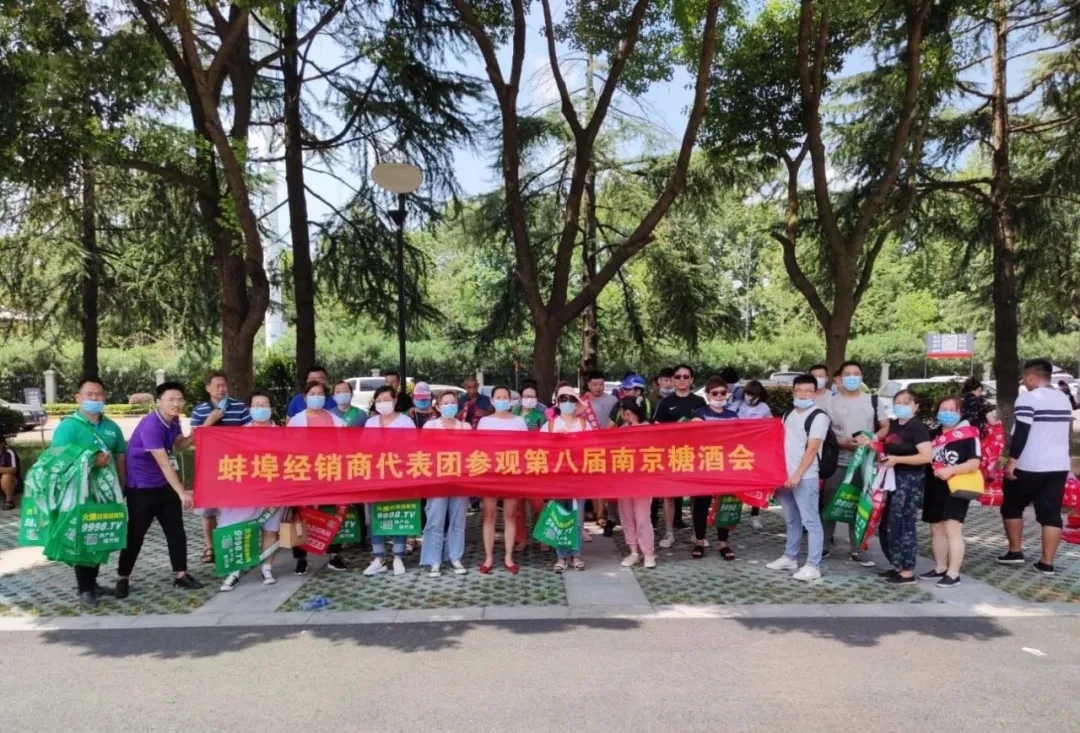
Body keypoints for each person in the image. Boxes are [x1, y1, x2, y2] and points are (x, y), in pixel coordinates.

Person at [117, 381, 202, 597]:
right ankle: (123, 577)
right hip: (141, 488)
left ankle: (181, 575)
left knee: (176, 531)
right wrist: (182, 492)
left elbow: (178, 445)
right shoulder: (151, 425)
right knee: (136, 534)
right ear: (159, 402)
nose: (176, 404)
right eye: (171, 399)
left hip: (164, 486)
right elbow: (164, 463)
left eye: (179, 400)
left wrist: (198, 432)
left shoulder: (173, 421)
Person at [50, 377, 128, 607]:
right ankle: (84, 589)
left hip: (106, 493)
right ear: (78, 397)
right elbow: (58, 460)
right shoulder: (68, 427)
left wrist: (122, 486)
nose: (95, 398)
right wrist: (91, 461)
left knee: (99, 534)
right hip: (78, 493)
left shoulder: (111, 427)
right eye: (89, 394)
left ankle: (92, 583)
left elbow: (121, 457)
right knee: (82, 537)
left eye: (99, 394)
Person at [998, 359, 1073, 575]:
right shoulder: (1063, 399)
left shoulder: (1027, 399)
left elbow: (1021, 431)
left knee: (1012, 506)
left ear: (1030, 376)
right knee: (1051, 513)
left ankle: (1015, 551)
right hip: (1058, 464)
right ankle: (1047, 563)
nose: (1024, 380)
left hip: (1029, 464)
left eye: (1024, 377)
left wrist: (1012, 460)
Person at [821, 360, 889, 565]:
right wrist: (841, 443)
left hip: (865, 463)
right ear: (840, 378)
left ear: (861, 377)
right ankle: (823, 545)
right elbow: (823, 431)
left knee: (861, 503)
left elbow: (885, 426)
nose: (852, 377)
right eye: (848, 374)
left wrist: (871, 440)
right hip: (838, 461)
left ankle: (858, 548)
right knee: (831, 502)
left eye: (856, 374)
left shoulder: (873, 400)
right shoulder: (830, 402)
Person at [219, 389, 283, 591]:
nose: (260, 409)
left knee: (270, 529)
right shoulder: (239, 434)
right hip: (246, 492)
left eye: (264, 405)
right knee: (241, 529)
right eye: (256, 405)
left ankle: (267, 568)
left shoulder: (282, 434)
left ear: (271, 408)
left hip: (274, 490)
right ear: (249, 409)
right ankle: (234, 572)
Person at [766, 374, 828, 581]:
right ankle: (790, 557)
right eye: (799, 390)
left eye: (808, 391)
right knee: (792, 518)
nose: (803, 395)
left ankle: (813, 565)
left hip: (805, 477)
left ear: (815, 393)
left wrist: (798, 475)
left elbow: (812, 449)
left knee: (811, 521)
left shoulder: (818, 416)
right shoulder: (789, 414)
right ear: (793, 392)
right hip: (784, 477)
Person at [189, 370, 252, 566]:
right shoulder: (200, 410)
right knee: (207, 510)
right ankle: (210, 547)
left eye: (224, 385)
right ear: (208, 388)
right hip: (209, 466)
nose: (222, 389)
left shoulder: (239, 407)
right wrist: (209, 422)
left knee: (232, 508)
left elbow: (250, 435)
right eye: (217, 386)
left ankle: (231, 546)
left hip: (234, 466)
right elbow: (193, 440)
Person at [920, 396, 981, 588]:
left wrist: (951, 470)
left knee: (952, 529)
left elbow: (975, 462)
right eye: (943, 409)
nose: (947, 413)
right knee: (936, 528)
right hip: (934, 485)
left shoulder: (969, 434)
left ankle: (953, 573)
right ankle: (940, 567)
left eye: (952, 410)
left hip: (957, 486)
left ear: (960, 413)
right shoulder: (931, 434)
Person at [287, 380, 347, 575]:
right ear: (305, 398)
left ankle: (334, 554)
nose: (316, 397)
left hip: (329, 474)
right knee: (300, 516)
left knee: (331, 514)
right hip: (303, 474)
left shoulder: (336, 421)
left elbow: (344, 448)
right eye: (312, 394)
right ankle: (301, 558)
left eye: (320, 394)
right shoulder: (296, 421)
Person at [880, 389, 933, 585]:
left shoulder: (917, 428)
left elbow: (926, 456)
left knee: (904, 524)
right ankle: (897, 565)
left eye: (906, 402)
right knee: (890, 524)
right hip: (891, 479)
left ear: (915, 406)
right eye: (898, 402)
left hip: (909, 480)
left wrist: (898, 460)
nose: (901, 406)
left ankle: (907, 571)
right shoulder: (894, 425)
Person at [363, 386, 415, 576]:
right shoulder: (370, 423)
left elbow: (413, 449)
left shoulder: (406, 421)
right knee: (376, 516)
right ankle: (379, 558)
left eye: (386, 399)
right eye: (379, 400)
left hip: (399, 475)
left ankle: (398, 557)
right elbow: (363, 449)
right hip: (375, 476)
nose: (382, 403)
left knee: (398, 514)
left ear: (394, 401)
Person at [420, 391, 471, 577]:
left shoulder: (465, 427)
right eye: (445, 403)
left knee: (458, 520)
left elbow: (471, 452)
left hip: (459, 480)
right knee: (435, 520)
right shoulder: (430, 426)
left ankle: (455, 557)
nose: (449, 406)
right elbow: (423, 452)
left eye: (453, 402)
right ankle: (434, 560)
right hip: (437, 480)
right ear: (438, 406)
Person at [476, 385, 526, 574]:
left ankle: (508, 557)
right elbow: (479, 448)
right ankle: (488, 557)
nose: (502, 400)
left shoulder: (519, 421)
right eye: (498, 397)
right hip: (490, 473)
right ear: (492, 400)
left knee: (510, 515)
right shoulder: (484, 422)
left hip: (511, 472)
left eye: (505, 397)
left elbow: (525, 448)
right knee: (489, 515)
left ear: (511, 401)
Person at [541, 385, 592, 572]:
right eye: (563, 399)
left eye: (571, 399)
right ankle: (561, 556)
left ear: (576, 403)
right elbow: (540, 450)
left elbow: (593, 448)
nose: (567, 403)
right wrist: (556, 440)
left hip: (579, 478)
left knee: (577, 518)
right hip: (557, 478)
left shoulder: (585, 425)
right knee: (560, 516)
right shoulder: (550, 425)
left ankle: (576, 554)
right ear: (557, 402)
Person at [654, 364, 704, 544]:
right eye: (678, 376)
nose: (681, 379)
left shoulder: (699, 402)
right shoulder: (665, 403)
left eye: (685, 376)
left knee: (695, 495)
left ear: (691, 380)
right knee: (669, 495)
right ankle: (669, 533)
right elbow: (655, 429)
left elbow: (707, 428)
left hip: (694, 455)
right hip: (671, 455)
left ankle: (696, 532)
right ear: (673, 380)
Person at [690, 378, 739, 560]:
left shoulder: (733, 416)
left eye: (722, 393)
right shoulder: (699, 414)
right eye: (715, 393)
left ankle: (723, 542)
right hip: (705, 466)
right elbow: (694, 438)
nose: (719, 396)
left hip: (727, 466)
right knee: (701, 505)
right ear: (708, 394)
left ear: (727, 394)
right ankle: (699, 540)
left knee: (725, 504)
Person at [616, 396, 655, 568]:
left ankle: (648, 553)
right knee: (627, 516)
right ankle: (633, 551)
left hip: (643, 480)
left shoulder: (649, 429)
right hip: (624, 479)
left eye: (626, 411)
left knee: (642, 517)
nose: (625, 414)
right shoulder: (621, 430)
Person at [737, 379, 771, 529]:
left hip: (756, 450)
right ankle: (733, 513)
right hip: (738, 450)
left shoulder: (764, 408)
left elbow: (771, 426)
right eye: (748, 393)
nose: (749, 397)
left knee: (756, 483)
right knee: (737, 482)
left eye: (753, 395)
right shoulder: (738, 405)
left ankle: (755, 514)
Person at [0, 434, 20, 511]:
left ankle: (9, 501)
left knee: (6, 476)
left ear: (2, 443)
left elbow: (13, 470)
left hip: (11, 483)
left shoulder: (9, 453)